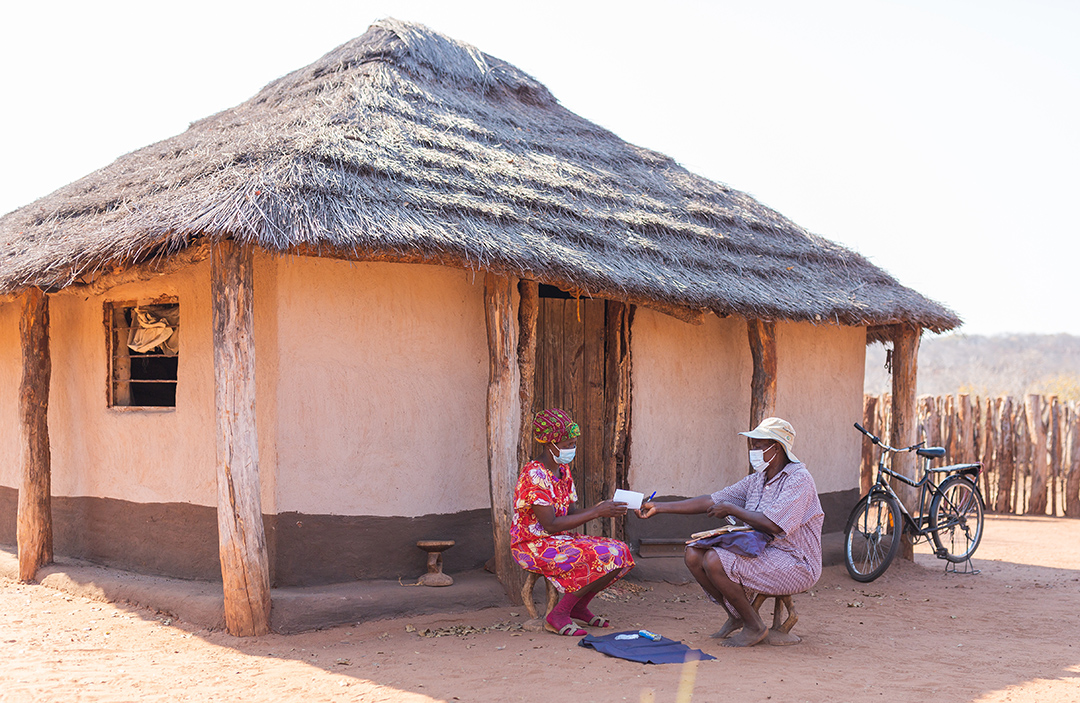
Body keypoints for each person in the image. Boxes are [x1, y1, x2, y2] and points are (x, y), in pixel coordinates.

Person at [636, 417, 824, 647]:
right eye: (752, 445)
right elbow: (712, 500)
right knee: (693, 554)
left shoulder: (799, 479)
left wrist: (735, 510)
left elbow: (774, 525)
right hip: (764, 552)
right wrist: (660, 507)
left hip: (796, 561)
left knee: (715, 560)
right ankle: (738, 616)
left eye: (758, 445)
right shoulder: (757, 480)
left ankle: (754, 626)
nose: (753, 450)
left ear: (777, 447)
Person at [511, 408, 635, 636]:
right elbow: (550, 525)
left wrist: (603, 507)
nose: (572, 449)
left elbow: (572, 512)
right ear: (550, 444)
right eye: (567, 444)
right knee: (601, 555)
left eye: (573, 443)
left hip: (558, 539)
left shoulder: (562, 470)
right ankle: (557, 615)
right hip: (533, 545)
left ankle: (578, 607)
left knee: (621, 553)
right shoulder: (534, 475)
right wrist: (597, 513)